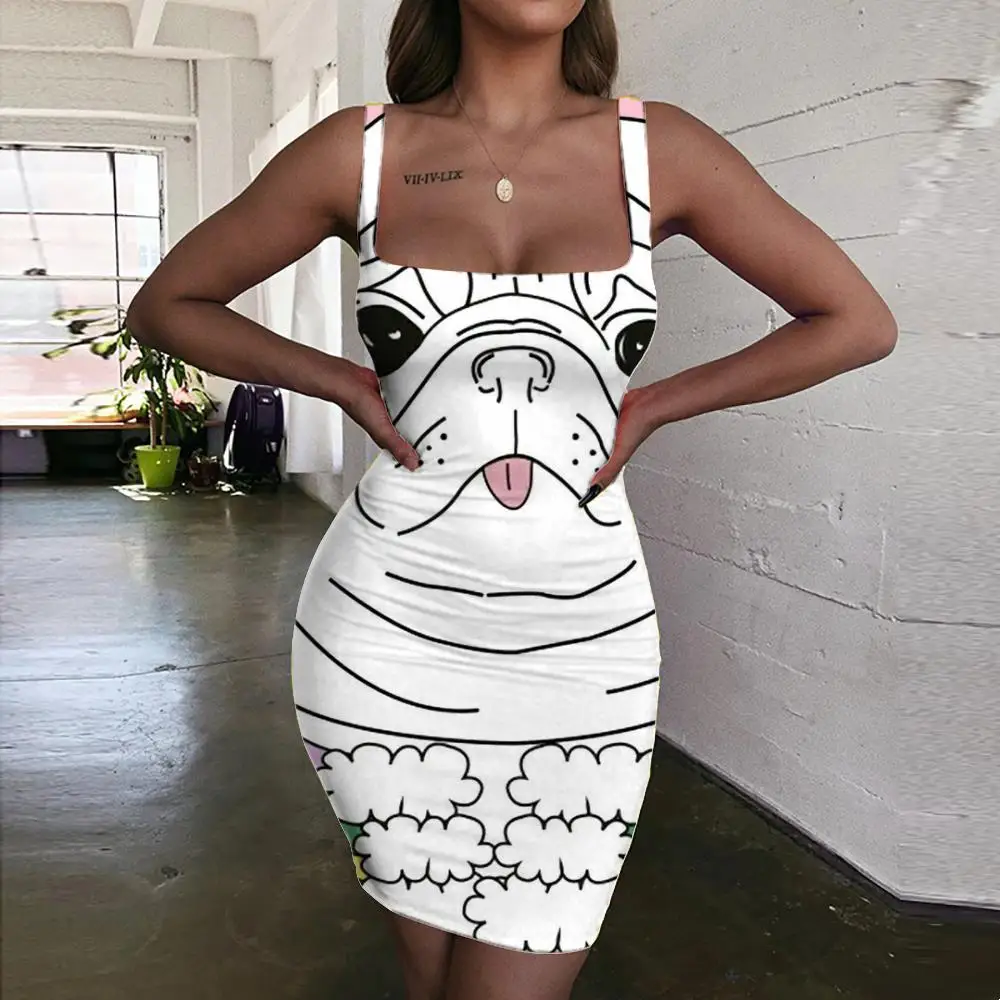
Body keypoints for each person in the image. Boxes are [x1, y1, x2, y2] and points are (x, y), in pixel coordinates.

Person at [126, 1, 898, 997]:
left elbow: (856, 320)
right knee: (436, 977)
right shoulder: (359, 151)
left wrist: (655, 403)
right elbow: (167, 303)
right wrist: (344, 380)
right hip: (382, 639)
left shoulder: (658, 149)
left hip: (587, 645)